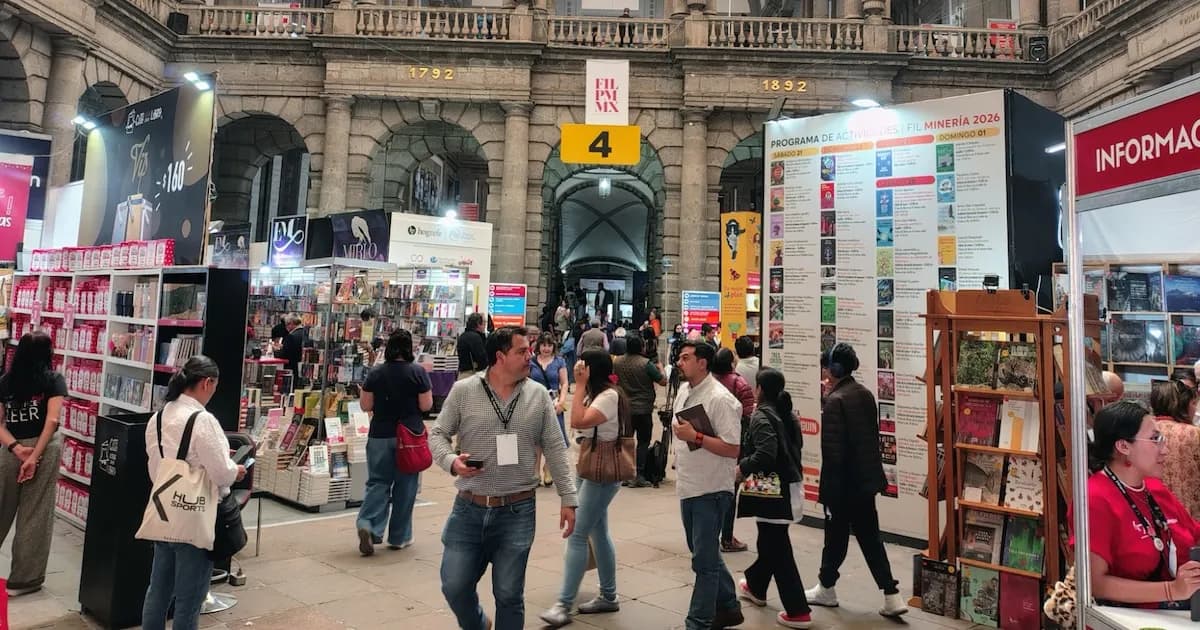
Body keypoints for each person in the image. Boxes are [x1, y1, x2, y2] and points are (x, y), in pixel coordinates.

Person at [430, 326, 578, 630]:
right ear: (500, 357)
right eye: (522, 351)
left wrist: (568, 497)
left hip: (517, 510)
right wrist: (450, 462)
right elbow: (438, 434)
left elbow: (555, 446)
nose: (530, 357)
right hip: (469, 507)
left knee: (509, 594)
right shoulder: (464, 391)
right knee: (454, 584)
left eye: (530, 350)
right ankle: (479, 624)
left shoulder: (537, 395)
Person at [142, 356, 245, 630]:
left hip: (165, 512)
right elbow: (221, 474)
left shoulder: (158, 417)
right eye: (214, 387)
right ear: (206, 383)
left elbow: (156, 468)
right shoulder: (203, 420)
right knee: (190, 598)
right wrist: (236, 470)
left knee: (158, 590)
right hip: (195, 515)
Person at [806, 343, 908, 618]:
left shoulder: (835, 401)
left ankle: (826, 588)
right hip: (865, 482)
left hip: (842, 487)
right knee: (870, 539)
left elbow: (833, 453)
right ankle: (891, 594)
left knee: (835, 539)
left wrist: (826, 492)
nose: (824, 372)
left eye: (826, 367)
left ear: (834, 369)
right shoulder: (864, 394)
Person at [1077, 400, 1200, 608]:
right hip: (1134, 617)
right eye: (1155, 439)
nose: (1165, 449)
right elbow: (1095, 584)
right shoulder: (1094, 499)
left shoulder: (1153, 488)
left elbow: (1193, 534)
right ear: (1123, 446)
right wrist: (1172, 590)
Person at [539, 349, 629, 627]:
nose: (577, 367)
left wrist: (577, 386)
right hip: (589, 466)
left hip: (602, 472)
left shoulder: (609, 396)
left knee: (577, 534)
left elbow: (577, 420)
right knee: (597, 531)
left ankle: (563, 605)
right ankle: (609, 595)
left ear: (591, 370)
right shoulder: (600, 394)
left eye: (582, 365)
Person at [670, 340, 745, 630]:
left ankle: (698, 621)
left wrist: (696, 437)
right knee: (704, 553)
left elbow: (732, 448)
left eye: (686, 358)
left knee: (703, 562)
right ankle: (728, 606)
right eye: (680, 358)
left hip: (711, 489)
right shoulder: (685, 392)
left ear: (703, 362)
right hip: (689, 484)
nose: (680, 362)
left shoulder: (720, 399)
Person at [736, 368, 812, 629]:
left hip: (772, 491)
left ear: (759, 389)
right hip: (788, 487)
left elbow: (766, 454)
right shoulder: (787, 413)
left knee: (778, 550)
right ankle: (755, 585)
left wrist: (742, 467)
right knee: (769, 540)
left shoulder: (761, 416)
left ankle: (798, 610)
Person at [0, 331, 67, 597]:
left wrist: (16, 449)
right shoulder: (53, 380)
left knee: (2, 506)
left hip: (9, 449)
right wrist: (34, 456)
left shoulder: (5, 381)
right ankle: (23, 581)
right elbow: (52, 421)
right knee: (35, 514)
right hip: (44, 449)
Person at [356, 329, 433, 556]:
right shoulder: (417, 372)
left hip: (380, 434)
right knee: (406, 486)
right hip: (409, 436)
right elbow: (427, 405)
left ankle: (368, 524)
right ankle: (399, 537)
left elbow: (365, 405)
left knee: (378, 482)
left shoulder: (376, 373)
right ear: (410, 348)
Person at [712, 347, 755, 553]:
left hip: (710, 441)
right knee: (730, 491)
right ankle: (727, 538)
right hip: (733, 442)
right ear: (731, 363)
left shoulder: (708, 382)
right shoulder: (739, 384)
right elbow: (747, 416)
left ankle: (710, 533)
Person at [614, 336, 667, 488]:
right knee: (643, 442)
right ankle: (639, 474)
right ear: (641, 347)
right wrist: (661, 369)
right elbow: (662, 381)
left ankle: (626, 474)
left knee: (626, 441)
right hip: (643, 408)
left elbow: (614, 379)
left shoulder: (617, 361)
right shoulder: (646, 364)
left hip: (625, 407)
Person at [1150, 379, 1200, 517]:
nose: (1195, 409)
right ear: (1182, 404)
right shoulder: (1193, 433)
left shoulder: (1145, 430)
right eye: (1193, 403)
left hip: (1153, 512)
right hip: (1190, 515)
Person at [530, 332, 570, 485]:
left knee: (553, 438)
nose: (546, 348)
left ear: (554, 347)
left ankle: (548, 468)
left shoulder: (559, 361)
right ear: (538, 346)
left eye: (549, 345)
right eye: (543, 345)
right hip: (535, 402)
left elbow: (564, 383)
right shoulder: (532, 362)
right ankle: (535, 471)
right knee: (536, 439)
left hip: (554, 402)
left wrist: (562, 401)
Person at [458, 312, 488, 380]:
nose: (485, 325)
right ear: (478, 324)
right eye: (484, 322)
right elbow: (482, 359)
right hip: (471, 374)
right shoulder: (475, 338)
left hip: (463, 374)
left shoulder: (463, 335)